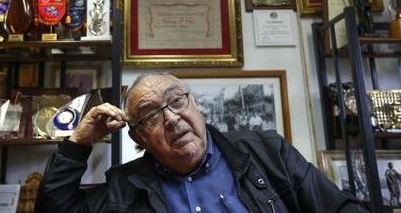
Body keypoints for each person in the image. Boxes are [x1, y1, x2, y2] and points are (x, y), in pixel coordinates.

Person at [35, 72, 368, 213]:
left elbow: (339, 208)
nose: (172, 119)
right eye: (151, 116)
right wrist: (78, 142)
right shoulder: (124, 188)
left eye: (177, 101)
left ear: (196, 105)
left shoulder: (267, 153)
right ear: (138, 137)